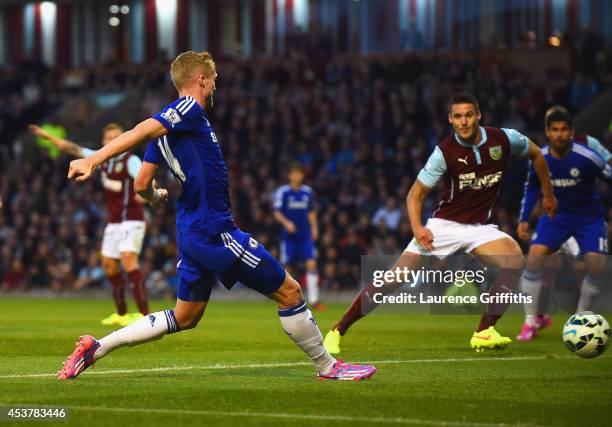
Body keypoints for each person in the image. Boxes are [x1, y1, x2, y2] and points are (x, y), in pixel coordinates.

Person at [57, 51, 375, 381]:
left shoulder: (167, 135)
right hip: (215, 230)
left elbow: (141, 184)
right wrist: (94, 159)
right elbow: (144, 127)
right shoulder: (188, 109)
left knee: (185, 315)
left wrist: (155, 197)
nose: (214, 87)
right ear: (200, 80)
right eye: (214, 80)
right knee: (290, 291)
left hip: (192, 232)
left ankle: (98, 347)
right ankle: (328, 367)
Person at [323, 92, 556, 354]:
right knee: (392, 280)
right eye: (458, 116)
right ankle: (337, 330)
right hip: (444, 225)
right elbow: (415, 194)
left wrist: (547, 194)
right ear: (450, 119)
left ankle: (484, 331)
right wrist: (418, 228)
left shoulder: (504, 138)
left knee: (514, 261)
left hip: (481, 228)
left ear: (478, 115)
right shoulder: (444, 153)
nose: (464, 121)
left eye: (469, 115)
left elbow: (537, 154)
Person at [29, 123, 149, 326]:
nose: (111, 141)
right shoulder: (101, 158)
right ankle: (122, 314)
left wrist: (145, 195)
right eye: (108, 138)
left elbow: (146, 180)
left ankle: (145, 315)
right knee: (110, 267)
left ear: (124, 139)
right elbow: (73, 149)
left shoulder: (131, 160)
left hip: (132, 219)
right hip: (113, 223)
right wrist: (48, 137)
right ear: (103, 141)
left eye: (116, 137)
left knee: (128, 261)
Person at [516, 107, 611, 340]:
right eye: (555, 130)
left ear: (571, 132)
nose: (559, 134)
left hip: (589, 218)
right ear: (548, 132)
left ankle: (581, 317)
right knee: (535, 258)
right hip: (555, 218)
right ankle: (530, 322)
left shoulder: (587, 156)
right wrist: (525, 218)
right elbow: (532, 189)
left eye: (564, 130)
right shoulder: (541, 158)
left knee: (596, 264)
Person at [273, 163, 323, 310]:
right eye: (294, 173)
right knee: (288, 267)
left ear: (303, 175)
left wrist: (314, 228)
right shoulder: (283, 192)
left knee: (312, 263)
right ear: (290, 176)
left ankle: (314, 300)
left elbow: (311, 212)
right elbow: (276, 211)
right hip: (289, 236)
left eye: (299, 173)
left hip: (305, 235)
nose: (297, 176)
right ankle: (289, 299)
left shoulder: (307, 192)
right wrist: (286, 222)